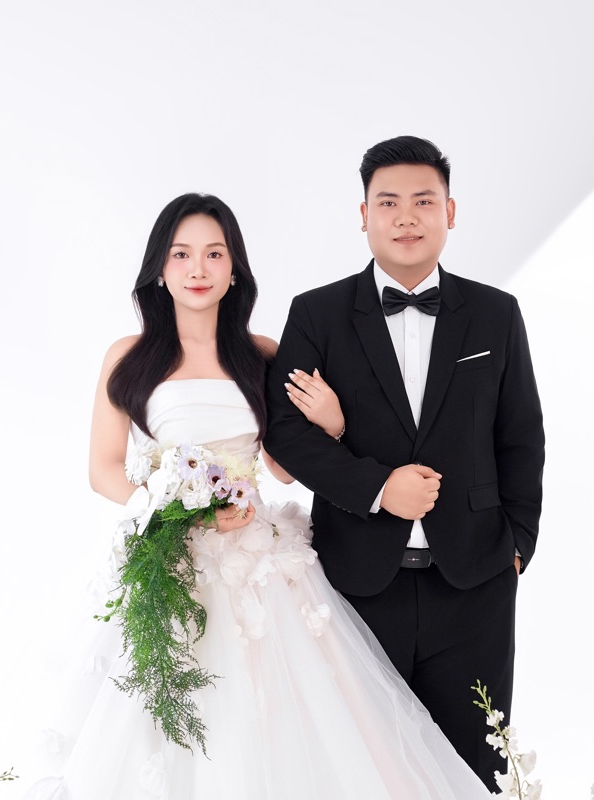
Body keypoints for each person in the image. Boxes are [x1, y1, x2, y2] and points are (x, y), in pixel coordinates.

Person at [24, 192, 491, 799]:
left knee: (289, 721)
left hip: (258, 562)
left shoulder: (263, 353)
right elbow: (104, 470)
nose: (197, 269)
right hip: (170, 561)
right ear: (159, 269)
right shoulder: (129, 356)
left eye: (214, 254)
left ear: (234, 268)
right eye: (181, 254)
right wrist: (180, 511)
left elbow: (282, 469)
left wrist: (330, 426)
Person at [264, 136, 545, 787]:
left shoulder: (496, 314)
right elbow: (286, 434)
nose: (406, 217)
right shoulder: (317, 313)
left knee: (471, 773)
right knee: (364, 774)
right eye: (388, 202)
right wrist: (377, 488)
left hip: (474, 585)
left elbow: (522, 438)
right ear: (364, 215)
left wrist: (518, 548)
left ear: (451, 211)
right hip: (355, 586)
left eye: (424, 200)